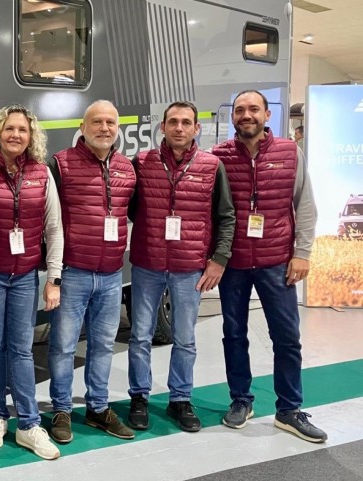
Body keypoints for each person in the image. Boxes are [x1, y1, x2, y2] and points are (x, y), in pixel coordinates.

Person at [212, 90, 326, 443]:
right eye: (240, 110)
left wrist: (302, 252)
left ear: (266, 115)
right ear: (233, 117)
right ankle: (241, 400)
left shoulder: (290, 153)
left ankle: (289, 409)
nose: (247, 115)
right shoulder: (218, 158)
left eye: (253, 109)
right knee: (234, 334)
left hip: (278, 262)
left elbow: (305, 206)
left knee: (287, 338)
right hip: (233, 264)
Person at [125, 101, 236, 432]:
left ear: (196, 128)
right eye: (173, 122)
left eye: (186, 122)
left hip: (190, 267)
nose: (179, 128)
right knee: (140, 335)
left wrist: (219, 259)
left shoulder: (212, 166)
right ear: (162, 126)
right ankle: (139, 397)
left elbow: (225, 216)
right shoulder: (142, 162)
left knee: (185, 338)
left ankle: (180, 400)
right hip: (147, 264)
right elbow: (132, 210)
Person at [0, 105, 63, 460]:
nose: (16, 135)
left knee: (22, 348)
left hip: (25, 276)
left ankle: (28, 424)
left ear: (31, 135)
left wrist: (53, 277)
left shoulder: (41, 172)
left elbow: (54, 228)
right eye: (9, 129)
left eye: (22, 130)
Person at [47, 100, 137, 443]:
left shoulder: (128, 168)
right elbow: (47, 220)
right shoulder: (61, 165)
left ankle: (98, 408)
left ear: (118, 128)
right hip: (73, 273)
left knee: (102, 344)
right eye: (96, 122)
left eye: (110, 122)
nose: (104, 128)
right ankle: (61, 410)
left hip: (112, 274)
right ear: (82, 128)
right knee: (63, 346)